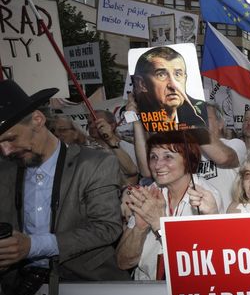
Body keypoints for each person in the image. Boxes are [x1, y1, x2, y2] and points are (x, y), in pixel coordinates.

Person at [0, 80, 129, 281]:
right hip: (19, 288)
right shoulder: (5, 169)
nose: (5, 151)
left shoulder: (95, 164)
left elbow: (107, 227)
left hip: (85, 285)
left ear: (37, 119)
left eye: (11, 138)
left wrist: (32, 246)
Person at [116, 130, 222, 280]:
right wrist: (139, 228)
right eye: (153, 157)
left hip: (184, 290)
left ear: (187, 159)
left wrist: (158, 223)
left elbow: (198, 265)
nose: (158, 165)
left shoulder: (205, 198)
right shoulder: (148, 194)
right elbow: (123, 263)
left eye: (168, 157)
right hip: (143, 287)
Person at [132, 46, 207, 130]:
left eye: (177, 74)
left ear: (185, 78)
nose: (173, 85)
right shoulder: (134, 116)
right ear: (142, 84)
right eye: (161, 75)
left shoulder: (202, 112)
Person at [86, 109, 139, 185]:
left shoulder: (129, 148)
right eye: (89, 123)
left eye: (96, 121)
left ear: (112, 126)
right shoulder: (86, 151)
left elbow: (133, 174)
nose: (91, 125)